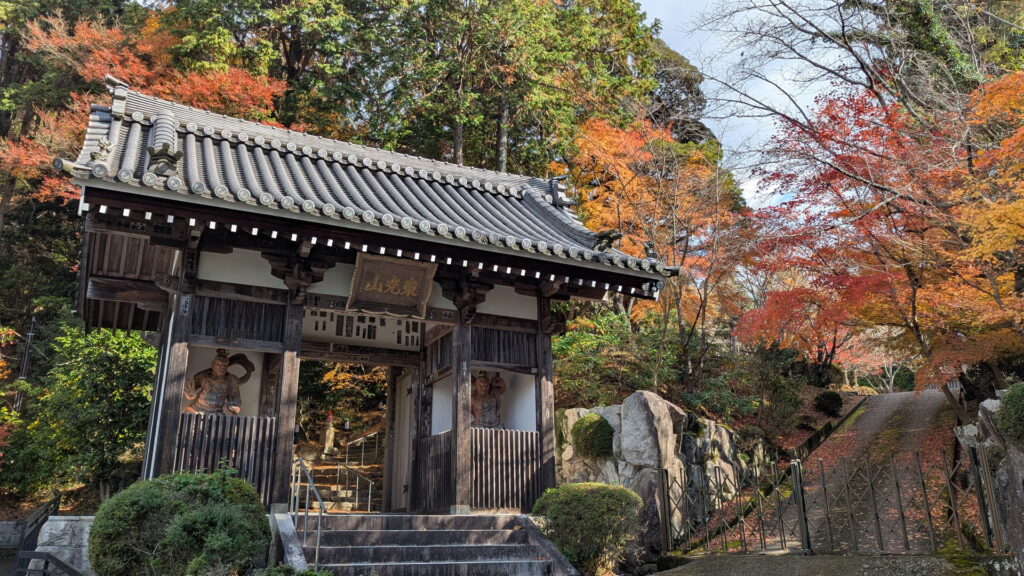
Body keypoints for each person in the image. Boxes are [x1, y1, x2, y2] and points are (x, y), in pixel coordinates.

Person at [183, 349, 253, 415]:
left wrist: (234, 407)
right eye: (219, 364)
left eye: (225, 365)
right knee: (188, 416)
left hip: (217, 412)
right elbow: (191, 391)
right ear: (213, 364)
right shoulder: (203, 376)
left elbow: (234, 402)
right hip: (198, 408)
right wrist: (190, 396)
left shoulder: (231, 380)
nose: (222, 367)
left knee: (229, 426)